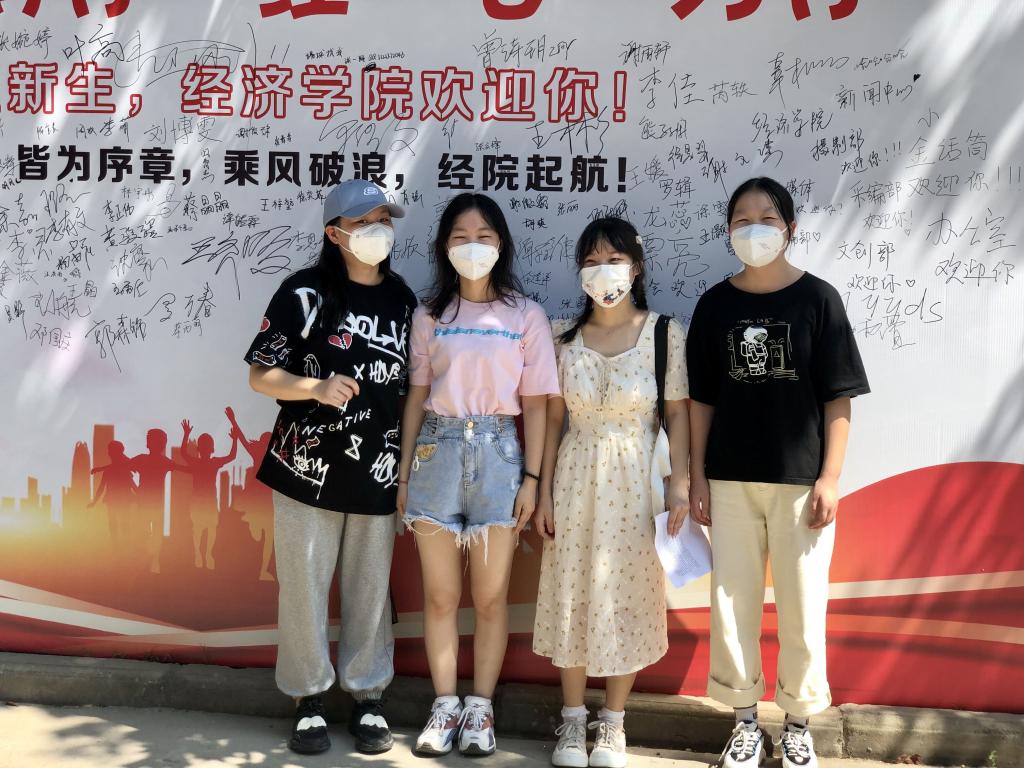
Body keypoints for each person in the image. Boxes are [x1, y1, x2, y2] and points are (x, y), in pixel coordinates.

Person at [686, 177, 870, 768]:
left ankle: (797, 724)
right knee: (731, 605)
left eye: (766, 218)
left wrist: (831, 478)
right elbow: (700, 401)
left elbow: (838, 398)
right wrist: (696, 476)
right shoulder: (714, 305)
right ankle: (744, 723)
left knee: (803, 607)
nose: (754, 229)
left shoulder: (819, 300)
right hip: (729, 479)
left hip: (801, 484)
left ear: (790, 228)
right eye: (741, 220)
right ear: (728, 231)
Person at [244, 179, 416, 756]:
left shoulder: (403, 300)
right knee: (303, 589)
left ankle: (369, 696)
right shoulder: (304, 293)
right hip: (305, 470)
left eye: (383, 220)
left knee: (370, 591)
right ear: (335, 234)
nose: (377, 231)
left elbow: (413, 388)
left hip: (377, 469)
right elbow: (260, 375)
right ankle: (308, 699)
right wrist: (315, 388)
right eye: (363, 222)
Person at [397, 192, 559, 757]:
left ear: (502, 244)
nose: (473, 246)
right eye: (461, 237)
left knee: (490, 599)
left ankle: (480, 709)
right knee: (440, 597)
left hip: (500, 456)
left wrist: (532, 480)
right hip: (435, 454)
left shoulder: (525, 315)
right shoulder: (429, 316)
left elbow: (536, 404)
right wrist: (403, 475)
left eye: (484, 236)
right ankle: (444, 706)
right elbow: (416, 397)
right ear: (444, 246)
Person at [533, 217, 690, 768]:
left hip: (636, 481)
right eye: (592, 261)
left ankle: (614, 723)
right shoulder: (561, 337)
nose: (604, 271)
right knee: (572, 593)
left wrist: (680, 486)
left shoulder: (665, 334)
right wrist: (544, 492)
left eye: (615, 260)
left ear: (636, 267)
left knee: (627, 595)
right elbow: (553, 421)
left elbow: (678, 414)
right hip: (574, 478)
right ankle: (573, 721)